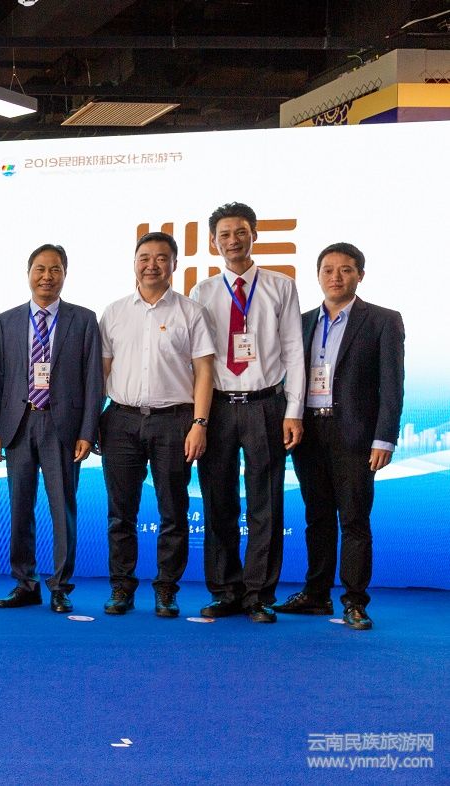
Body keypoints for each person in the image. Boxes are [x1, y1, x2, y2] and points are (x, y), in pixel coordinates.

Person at [276, 243, 404, 631]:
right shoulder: (300, 322)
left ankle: (354, 601)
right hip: (308, 431)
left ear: (359, 275)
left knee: (353, 519)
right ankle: (316, 594)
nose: (336, 277)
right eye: (328, 270)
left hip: (355, 434)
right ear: (318, 276)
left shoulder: (382, 320)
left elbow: (392, 385)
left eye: (346, 270)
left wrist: (384, 438)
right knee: (316, 517)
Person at [190, 202, 305, 623]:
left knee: (265, 503)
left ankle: (259, 594)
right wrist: (198, 418)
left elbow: (294, 350)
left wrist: (294, 411)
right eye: (224, 234)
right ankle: (225, 590)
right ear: (213, 242)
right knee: (218, 502)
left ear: (254, 234)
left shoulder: (281, 286)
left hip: (266, 405)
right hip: (219, 406)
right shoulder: (202, 292)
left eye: (240, 232)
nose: (233, 240)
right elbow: (197, 360)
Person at [98, 232, 216, 618]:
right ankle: (121, 586)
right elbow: (102, 372)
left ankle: (167, 588)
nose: (152, 265)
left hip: (174, 421)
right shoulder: (114, 312)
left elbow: (204, 371)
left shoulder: (191, 312)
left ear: (174, 264)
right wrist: (91, 422)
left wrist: (199, 423)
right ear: (134, 263)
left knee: (173, 510)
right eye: (144, 257)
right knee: (120, 512)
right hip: (120, 420)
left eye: (161, 258)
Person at [0, 244, 103, 614]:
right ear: (28, 274)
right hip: (19, 424)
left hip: (63, 426)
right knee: (19, 508)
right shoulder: (6, 321)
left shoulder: (83, 319)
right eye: (40, 269)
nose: (47, 277)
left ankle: (60, 586)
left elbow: (93, 381)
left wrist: (88, 431)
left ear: (65, 274)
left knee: (62, 509)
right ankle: (25, 583)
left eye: (55, 269)